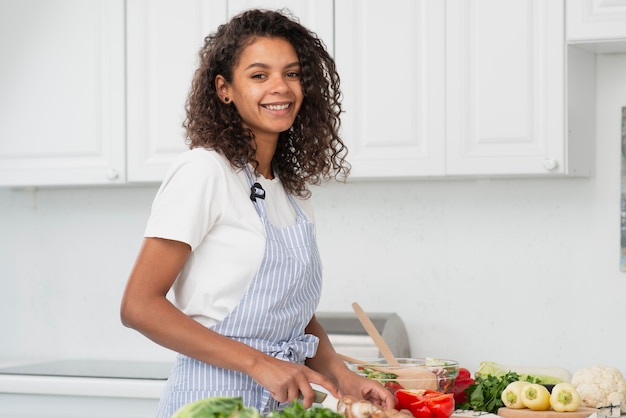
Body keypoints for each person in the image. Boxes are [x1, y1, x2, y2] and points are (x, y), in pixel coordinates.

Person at [120, 8, 395, 417]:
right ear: (224, 88)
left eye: (293, 73)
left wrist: (341, 375)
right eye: (259, 75)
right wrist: (258, 363)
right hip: (211, 402)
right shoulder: (204, 171)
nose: (280, 88)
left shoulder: (291, 189)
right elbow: (138, 306)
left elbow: (290, 315)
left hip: (283, 405)